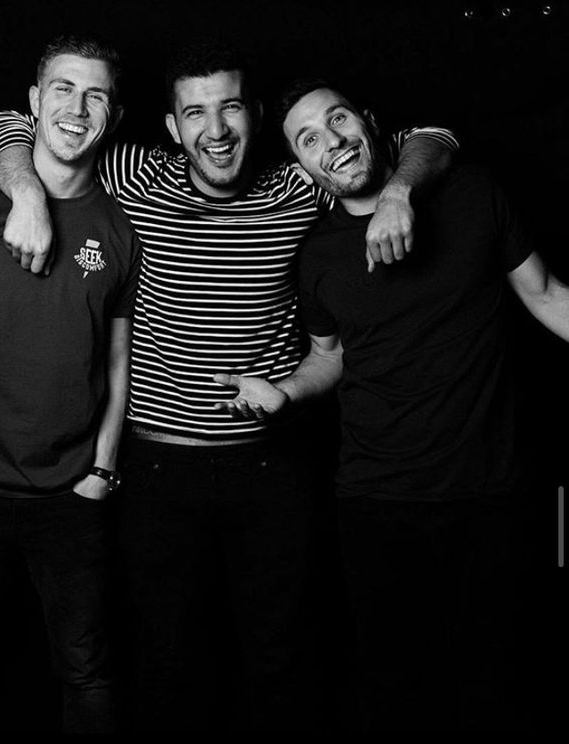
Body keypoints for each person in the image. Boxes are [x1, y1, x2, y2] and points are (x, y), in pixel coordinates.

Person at [0, 39, 458, 732]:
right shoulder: (132, 173)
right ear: (171, 128)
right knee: (167, 660)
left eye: (230, 107)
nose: (217, 130)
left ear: (255, 116)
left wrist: (400, 193)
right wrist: (25, 191)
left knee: (284, 656)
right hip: (156, 468)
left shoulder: (300, 182)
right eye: (195, 114)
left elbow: (432, 137)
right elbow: (1, 125)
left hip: (274, 466)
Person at [215, 78, 569, 732]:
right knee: (394, 690)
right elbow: (330, 355)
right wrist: (285, 391)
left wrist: (402, 193)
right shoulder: (317, 254)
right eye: (309, 139)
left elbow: (549, 295)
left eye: (339, 119)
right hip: (377, 503)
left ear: (372, 122)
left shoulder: (471, 194)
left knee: (501, 683)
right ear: (303, 165)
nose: (333, 142)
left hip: (494, 494)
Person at [0, 34, 141, 733]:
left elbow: (117, 360)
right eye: (63, 89)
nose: (77, 107)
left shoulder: (120, 226)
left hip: (70, 495)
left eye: (95, 93)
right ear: (34, 103)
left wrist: (101, 469)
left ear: (115, 115)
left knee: (88, 673)